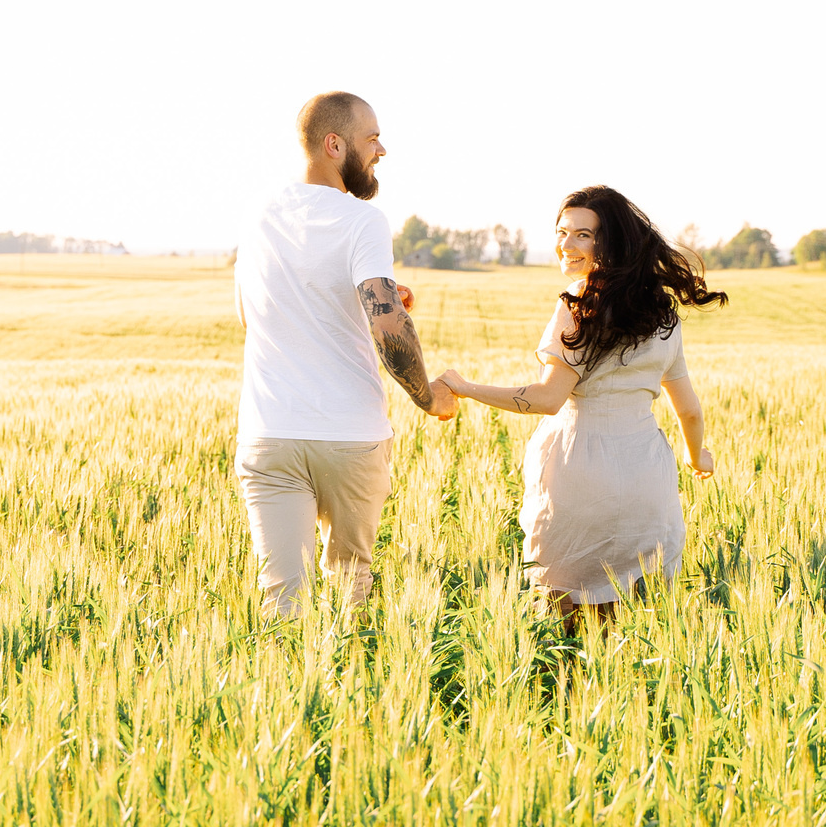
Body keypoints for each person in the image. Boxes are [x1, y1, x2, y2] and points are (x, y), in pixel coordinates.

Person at [434, 186, 722, 627]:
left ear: (610, 242)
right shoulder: (662, 315)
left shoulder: (578, 304)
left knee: (562, 621)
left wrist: (465, 386)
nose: (565, 245)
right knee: (637, 626)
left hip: (579, 472)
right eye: (561, 232)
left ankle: (568, 693)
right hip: (645, 476)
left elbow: (548, 399)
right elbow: (690, 410)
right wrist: (695, 454)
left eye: (582, 235)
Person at [234, 92, 457, 617]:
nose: (381, 149)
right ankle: (347, 690)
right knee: (349, 589)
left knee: (282, 600)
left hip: (270, 434)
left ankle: (284, 697)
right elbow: (387, 323)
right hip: (350, 438)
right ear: (335, 144)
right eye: (372, 138)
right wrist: (429, 397)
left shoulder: (259, 212)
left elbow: (251, 314)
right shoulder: (363, 221)